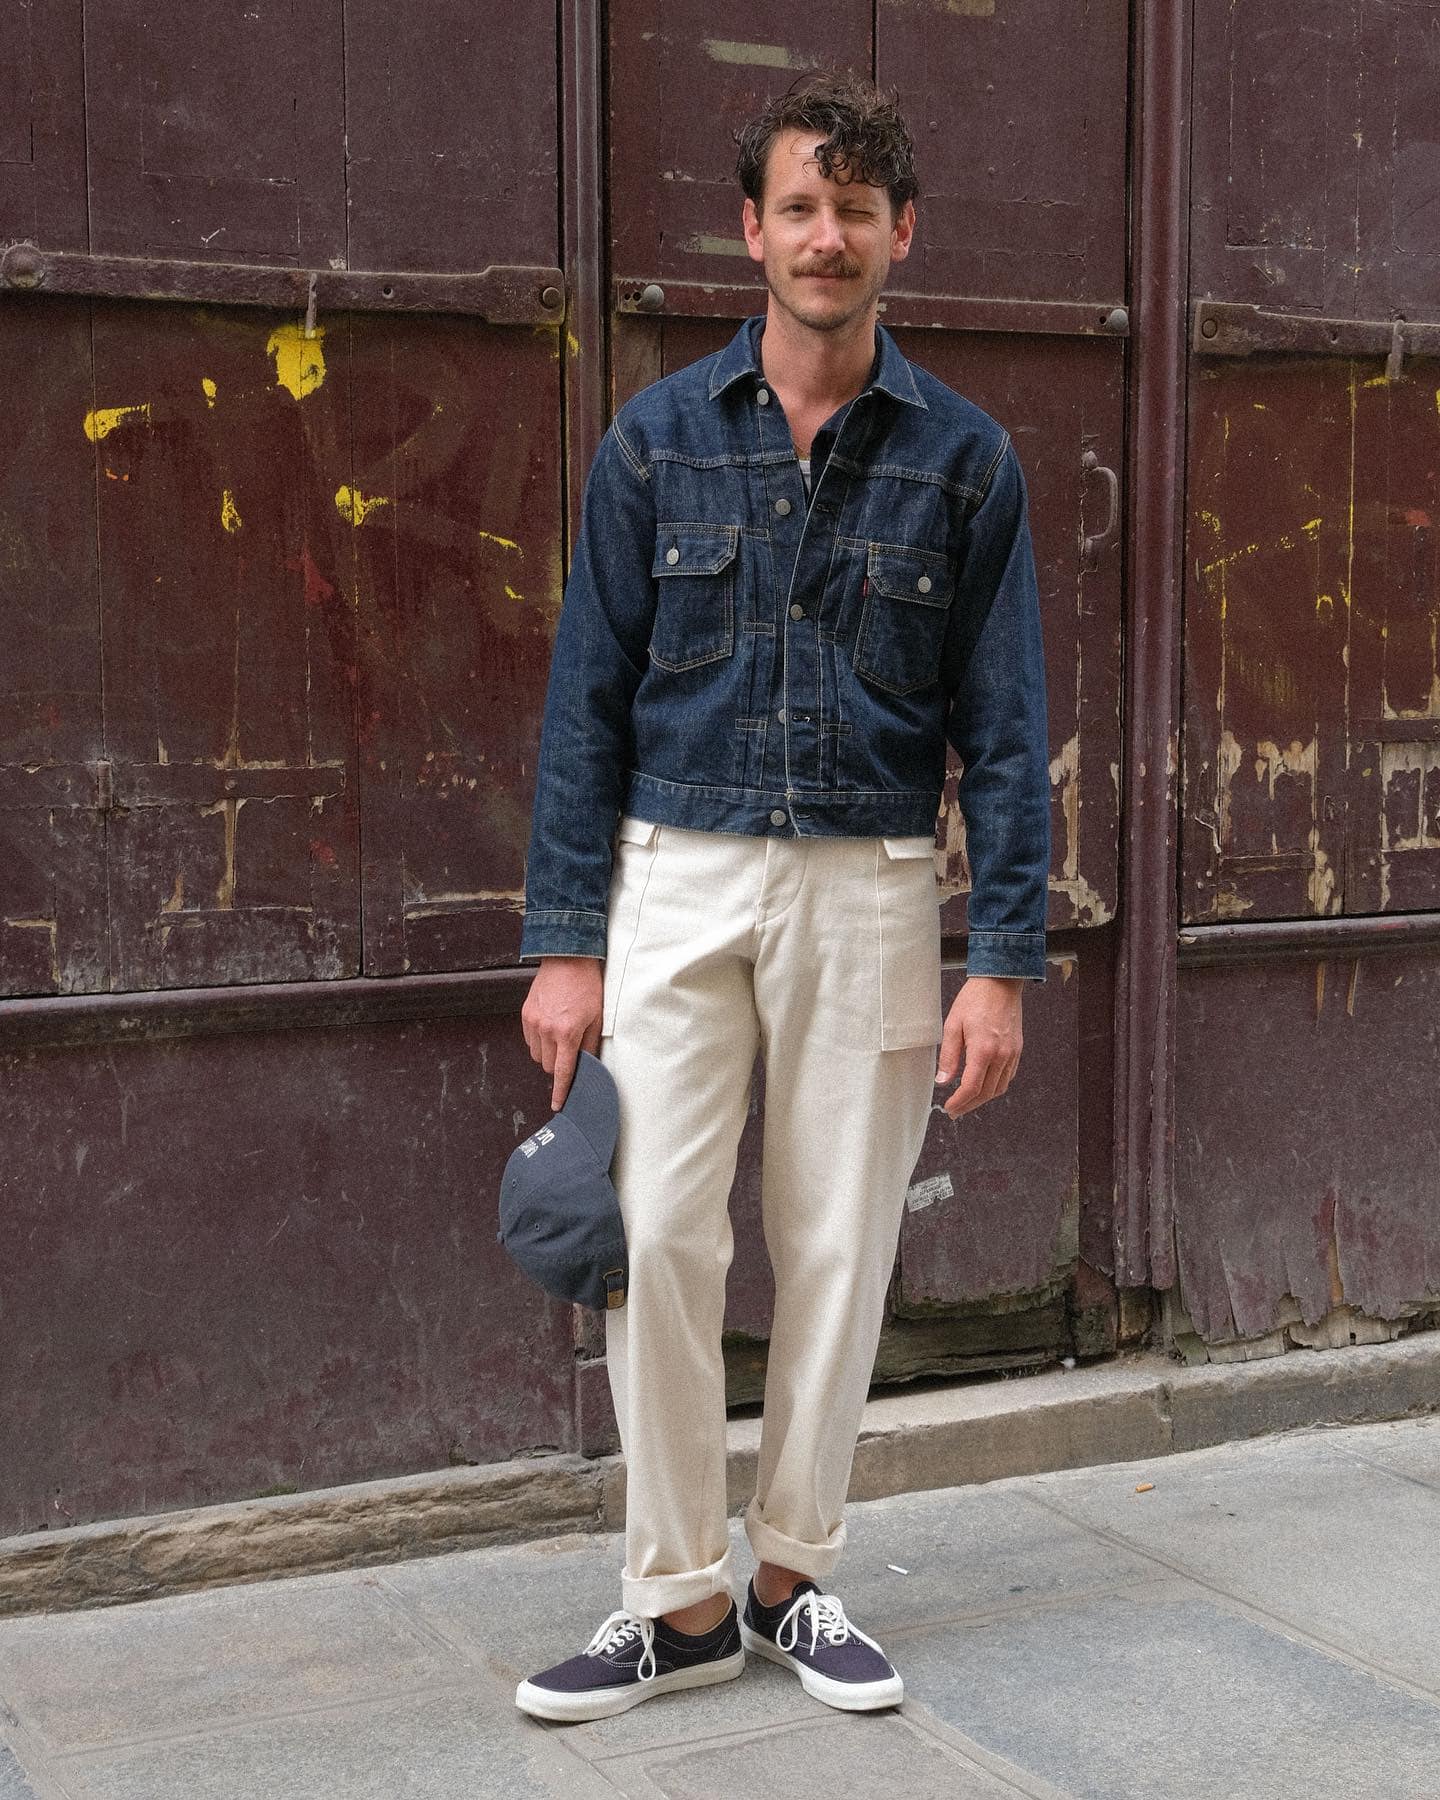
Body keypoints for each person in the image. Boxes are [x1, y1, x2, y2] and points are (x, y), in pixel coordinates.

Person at [512, 70, 1050, 1724]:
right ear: (751, 231)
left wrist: (1002, 958)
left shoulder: (965, 460)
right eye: (799, 208)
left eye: (858, 211)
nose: (829, 238)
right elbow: (584, 698)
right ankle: (673, 1600)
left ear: (905, 234)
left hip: (875, 885)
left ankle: (795, 1574)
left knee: (836, 1246)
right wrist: (563, 941)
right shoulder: (655, 441)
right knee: (661, 1236)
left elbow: (1008, 726)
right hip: (676, 875)